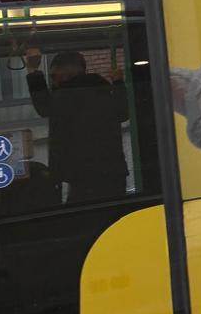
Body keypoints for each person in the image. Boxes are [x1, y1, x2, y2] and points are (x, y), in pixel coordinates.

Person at [25, 48, 130, 204]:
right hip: (113, 171)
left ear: (65, 74)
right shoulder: (103, 90)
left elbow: (44, 106)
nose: (53, 82)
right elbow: (123, 113)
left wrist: (33, 69)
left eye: (53, 76)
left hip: (82, 173)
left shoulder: (68, 95)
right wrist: (119, 82)